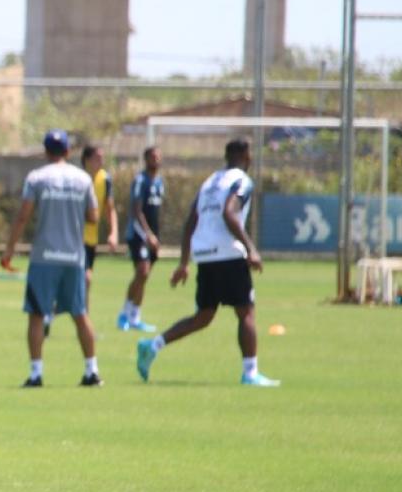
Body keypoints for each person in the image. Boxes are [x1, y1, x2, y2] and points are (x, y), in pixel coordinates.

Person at [136, 138, 279, 387]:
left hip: (205, 254)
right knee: (245, 312)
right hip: (229, 254)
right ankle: (250, 372)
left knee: (204, 316)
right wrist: (251, 249)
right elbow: (229, 213)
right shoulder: (241, 181)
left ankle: (153, 345)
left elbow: (191, 220)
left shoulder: (211, 181)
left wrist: (184, 262)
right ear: (246, 156)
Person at [0, 129, 101, 388]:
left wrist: (9, 249)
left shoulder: (37, 178)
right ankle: (92, 371)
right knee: (80, 313)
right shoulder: (83, 179)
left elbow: (23, 215)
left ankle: (36, 374)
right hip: (73, 257)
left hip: (44, 256)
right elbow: (93, 217)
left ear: (45, 152)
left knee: (36, 314)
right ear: (68, 151)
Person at [117, 146, 164, 333]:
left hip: (153, 236)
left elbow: (157, 211)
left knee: (144, 277)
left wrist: (157, 235)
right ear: (146, 159)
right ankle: (123, 314)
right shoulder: (140, 180)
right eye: (153, 157)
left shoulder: (160, 182)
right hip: (138, 234)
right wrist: (148, 235)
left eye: (159, 156)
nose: (156, 159)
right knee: (142, 272)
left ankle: (135, 318)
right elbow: (137, 211)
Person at [80, 144, 118, 309]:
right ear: (86, 160)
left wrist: (113, 233)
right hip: (74, 238)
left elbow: (110, 209)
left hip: (91, 240)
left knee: (85, 281)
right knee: (85, 279)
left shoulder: (105, 179)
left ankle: (52, 314)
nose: (101, 161)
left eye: (102, 158)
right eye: (97, 158)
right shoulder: (78, 179)